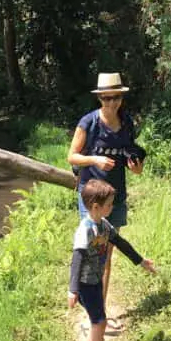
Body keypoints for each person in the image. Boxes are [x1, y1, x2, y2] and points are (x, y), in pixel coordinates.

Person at [67, 72, 145, 327]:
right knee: (90, 255)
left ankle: (99, 312)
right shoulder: (88, 123)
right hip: (92, 199)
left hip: (116, 197)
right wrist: (94, 160)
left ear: (121, 97)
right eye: (107, 98)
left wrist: (135, 167)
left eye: (116, 98)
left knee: (106, 256)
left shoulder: (127, 122)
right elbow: (72, 156)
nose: (112, 103)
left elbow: (131, 158)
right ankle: (89, 314)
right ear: (100, 98)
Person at [68, 179, 156, 341]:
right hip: (85, 284)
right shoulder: (85, 229)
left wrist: (141, 261)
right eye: (109, 204)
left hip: (96, 281)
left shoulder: (104, 225)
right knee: (100, 322)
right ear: (96, 207)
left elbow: (121, 244)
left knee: (96, 321)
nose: (112, 207)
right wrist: (73, 290)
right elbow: (77, 260)